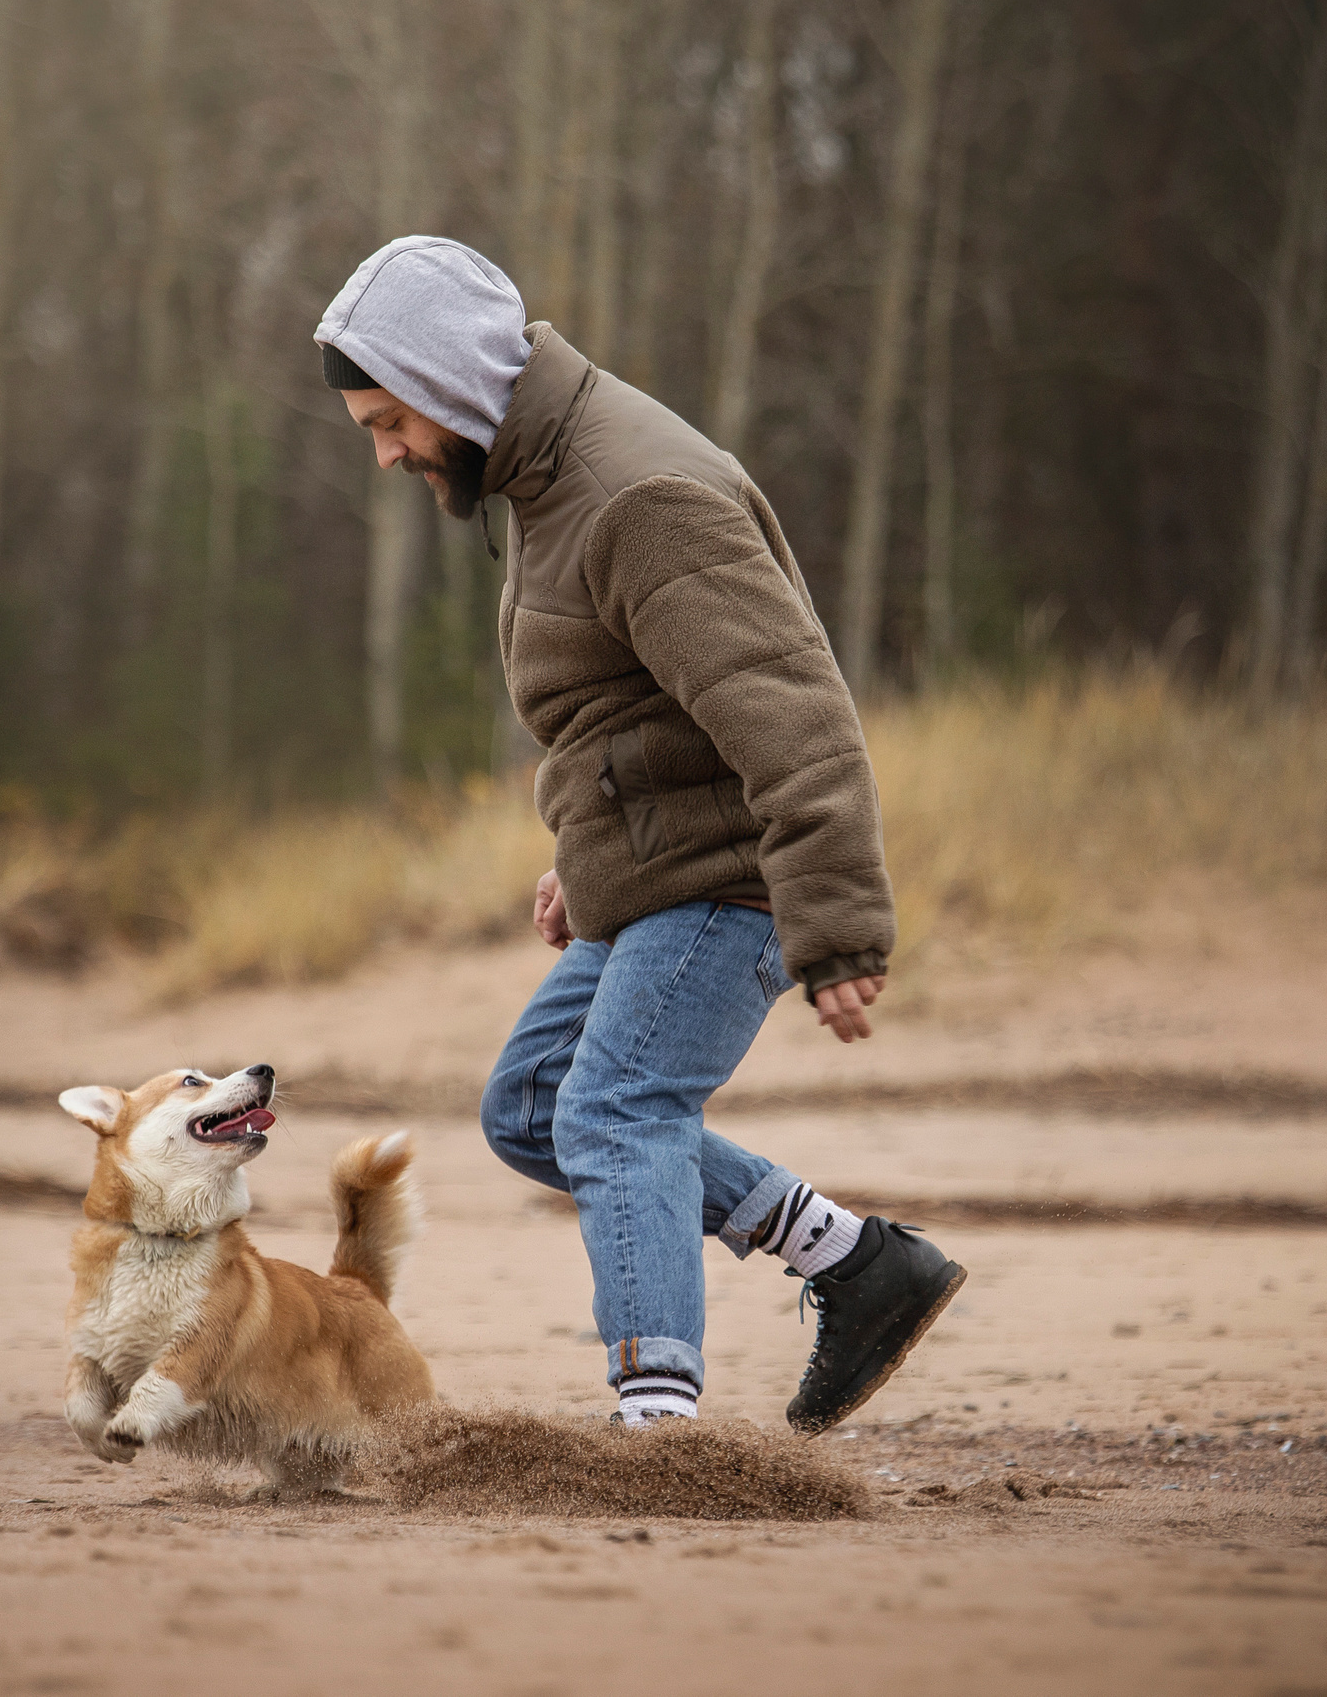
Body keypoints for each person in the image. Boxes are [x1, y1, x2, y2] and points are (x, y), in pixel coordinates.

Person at [315, 235, 963, 1433]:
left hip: (736, 879)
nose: (388, 452)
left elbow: (797, 716)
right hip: (664, 872)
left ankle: (656, 1427)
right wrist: (584, 855)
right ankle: (857, 1264)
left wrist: (836, 924)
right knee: (533, 1106)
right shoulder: (547, 480)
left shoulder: (636, 493)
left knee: (616, 1111)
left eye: (388, 421)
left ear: (451, 382)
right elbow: (629, 706)